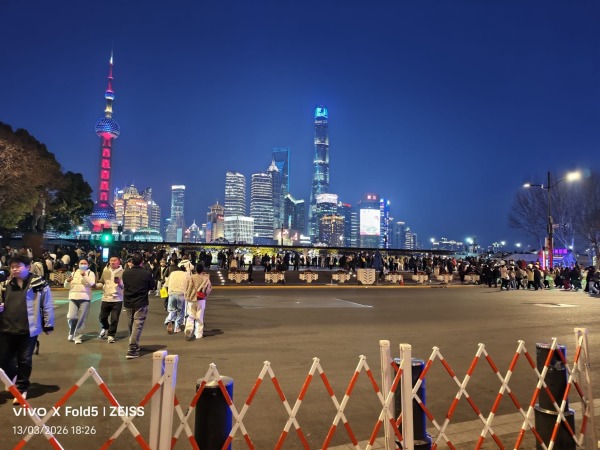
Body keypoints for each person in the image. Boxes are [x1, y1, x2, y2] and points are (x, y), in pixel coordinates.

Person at [0, 255, 54, 404]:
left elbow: (47, 305)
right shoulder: (4, 285)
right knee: (3, 359)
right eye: (12, 267)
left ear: (28, 267)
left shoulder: (39, 284)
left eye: (18, 266)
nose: (14, 269)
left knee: (24, 360)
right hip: (5, 328)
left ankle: (21, 388)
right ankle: (14, 377)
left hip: (28, 329)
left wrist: (48, 324)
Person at [122, 252, 154, 359]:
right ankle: (132, 348)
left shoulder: (126, 273)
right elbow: (151, 286)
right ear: (142, 262)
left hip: (128, 301)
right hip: (141, 301)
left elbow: (125, 285)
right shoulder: (146, 273)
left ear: (132, 261)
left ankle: (134, 343)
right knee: (138, 324)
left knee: (131, 323)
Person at [64, 258, 96, 344]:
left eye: (85, 263)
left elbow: (92, 284)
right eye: (81, 263)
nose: (83, 265)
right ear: (78, 264)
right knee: (71, 317)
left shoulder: (90, 273)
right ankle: (72, 331)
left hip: (85, 298)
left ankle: (77, 336)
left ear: (88, 265)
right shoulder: (73, 273)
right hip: (73, 297)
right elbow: (66, 286)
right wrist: (67, 281)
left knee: (82, 318)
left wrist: (84, 275)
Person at [96, 256, 124, 343]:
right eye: (111, 260)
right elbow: (101, 282)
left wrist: (120, 282)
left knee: (114, 319)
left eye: (115, 260)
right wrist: (97, 285)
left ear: (119, 262)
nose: (112, 262)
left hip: (117, 299)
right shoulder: (105, 271)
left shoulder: (123, 272)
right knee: (102, 317)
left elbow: (125, 286)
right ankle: (105, 327)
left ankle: (111, 335)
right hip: (106, 298)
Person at [183, 264, 212, 341]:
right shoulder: (206, 279)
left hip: (191, 299)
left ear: (195, 270)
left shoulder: (190, 278)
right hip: (201, 299)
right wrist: (205, 295)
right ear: (202, 270)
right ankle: (198, 334)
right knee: (199, 317)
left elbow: (185, 287)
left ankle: (189, 329)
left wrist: (186, 296)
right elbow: (209, 289)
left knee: (190, 316)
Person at [164, 265, 188, 334]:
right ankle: (177, 327)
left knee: (172, 310)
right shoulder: (186, 274)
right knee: (180, 311)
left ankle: (169, 320)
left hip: (172, 293)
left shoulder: (172, 273)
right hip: (181, 294)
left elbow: (166, 284)